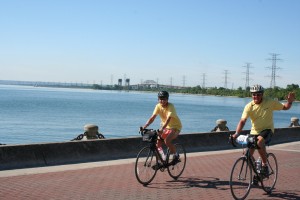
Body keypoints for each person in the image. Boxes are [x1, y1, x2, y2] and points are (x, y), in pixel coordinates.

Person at [232, 84, 295, 176]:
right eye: (254, 94)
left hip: (267, 130)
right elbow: (242, 121)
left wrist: (289, 102)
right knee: (247, 155)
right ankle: (257, 173)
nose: (256, 96)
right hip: (254, 132)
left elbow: (285, 107)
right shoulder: (249, 106)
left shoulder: (269, 102)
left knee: (259, 141)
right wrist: (236, 134)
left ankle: (265, 165)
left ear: (262, 94)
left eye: (258, 94)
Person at [143, 91, 182, 165]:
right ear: (158, 99)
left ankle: (176, 155)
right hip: (165, 127)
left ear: (167, 99)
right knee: (157, 144)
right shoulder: (158, 106)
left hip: (175, 127)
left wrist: (162, 128)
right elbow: (152, 117)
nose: (162, 101)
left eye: (164, 99)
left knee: (167, 141)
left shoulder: (171, 106)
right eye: (160, 99)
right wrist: (145, 126)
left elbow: (168, 119)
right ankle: (161, 160)